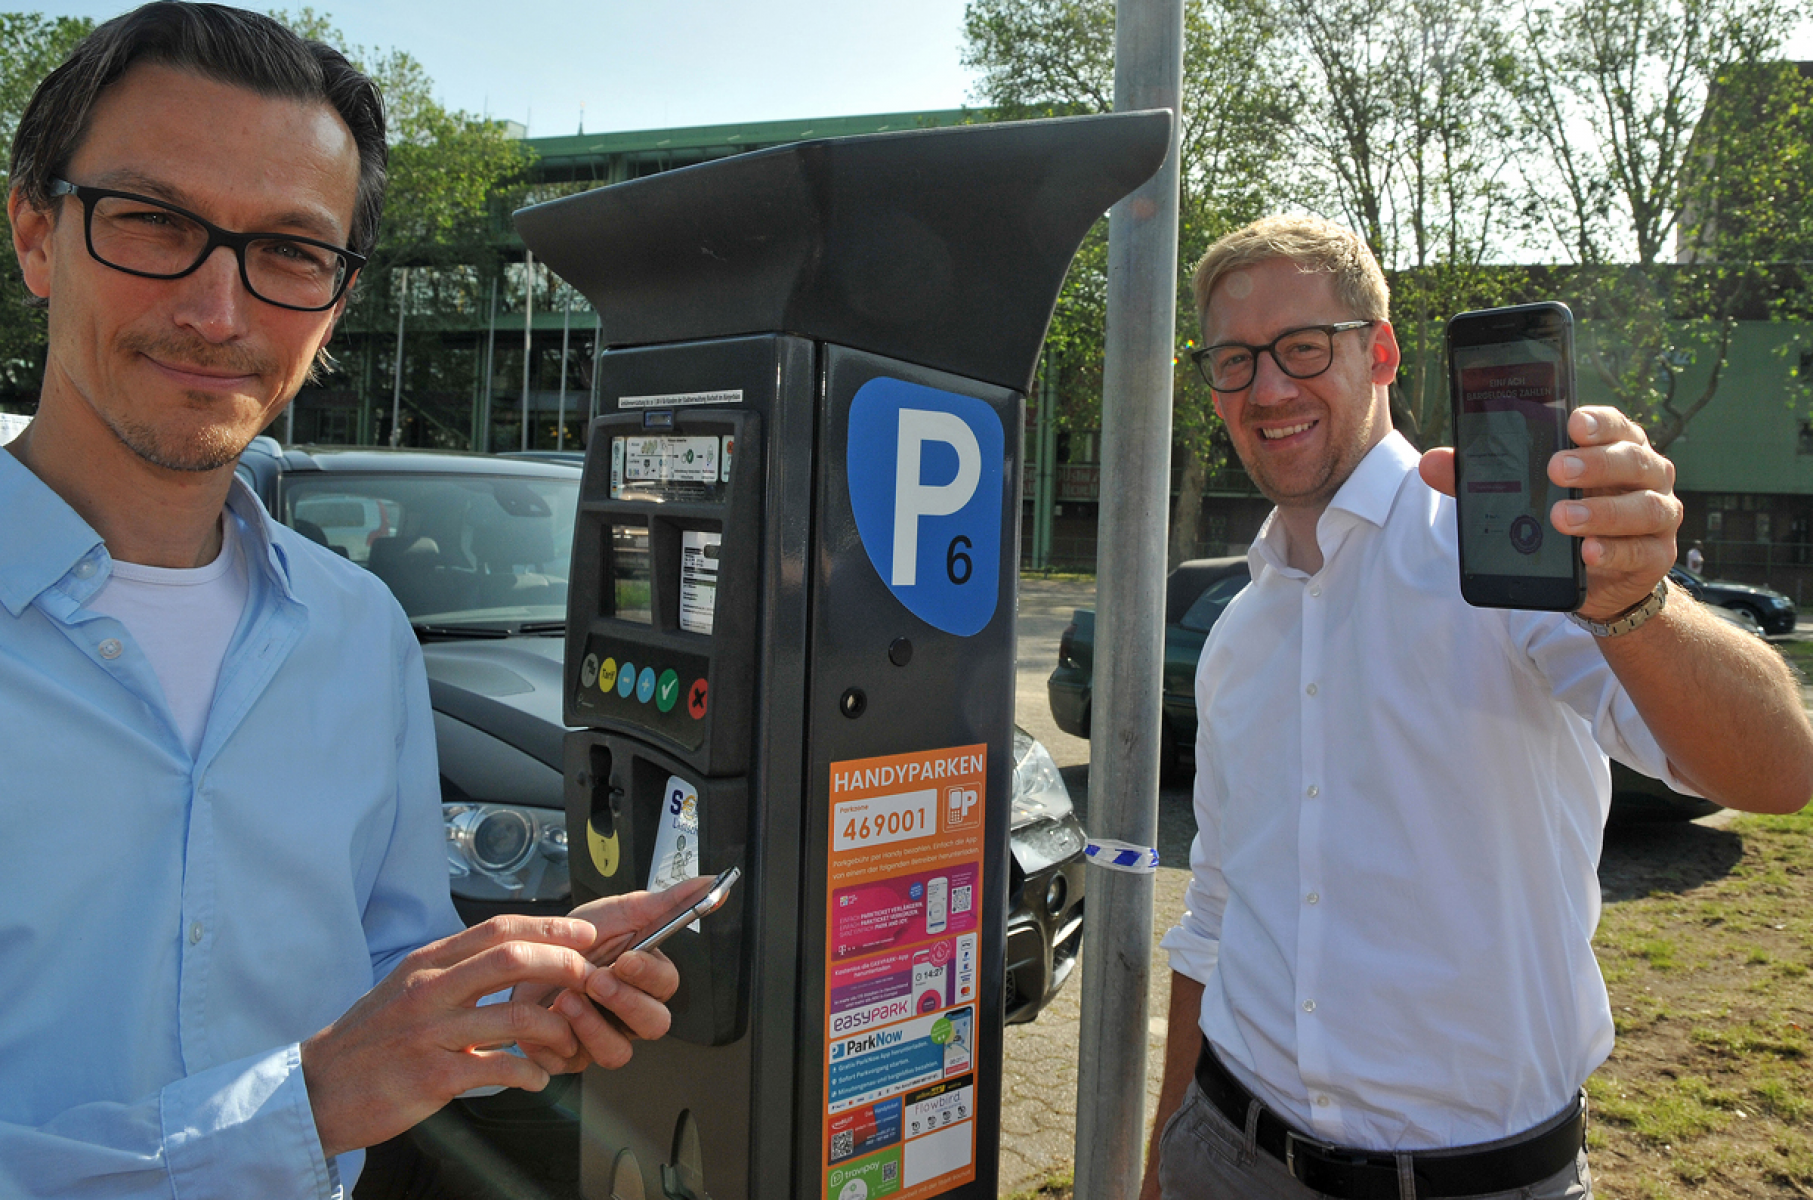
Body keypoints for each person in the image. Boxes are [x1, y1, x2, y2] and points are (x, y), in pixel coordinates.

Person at [0, 5, 707, 1196]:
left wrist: (511, 993)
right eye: (154, 221)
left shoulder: (359, 632)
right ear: (34, 235)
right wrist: (310, 1100)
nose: (219, 310)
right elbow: (331, 1081)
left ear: (335, 303)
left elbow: (387, 974)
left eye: (288, 249)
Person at [1138, 215, 1813, 1200]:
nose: (1269, 388)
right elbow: (1215, 912)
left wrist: (1641, 604)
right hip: (1225, 1150)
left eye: (1302, 348)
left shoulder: (1508, 557)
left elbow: (1775, 771)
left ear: (1379, 351)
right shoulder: (1240, 627)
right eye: (1234, 360)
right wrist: (1166, 1152)